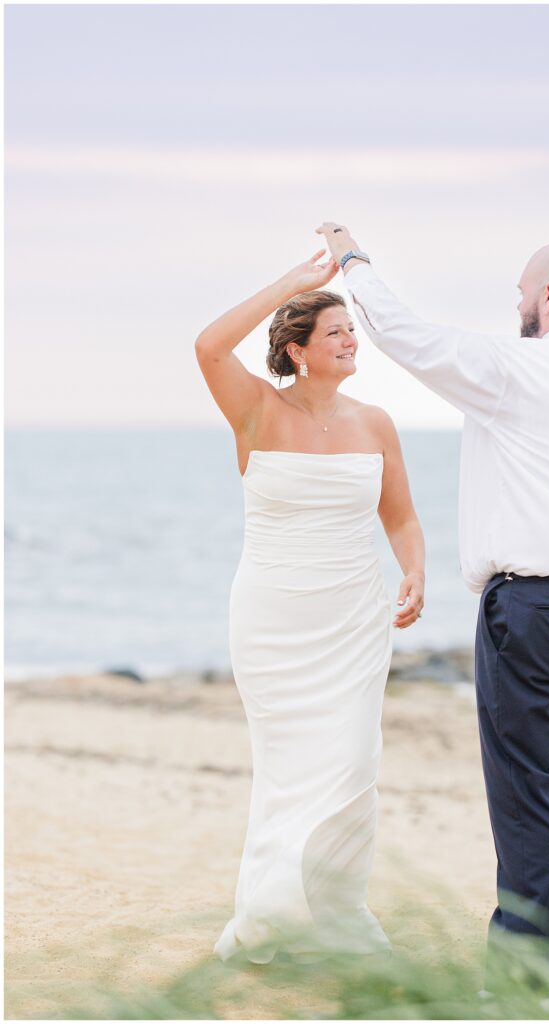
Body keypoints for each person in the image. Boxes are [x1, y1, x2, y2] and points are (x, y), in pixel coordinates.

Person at [316, 223, 549, 991]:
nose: (515, 304)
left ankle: (517, 978)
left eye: (519, 292)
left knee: (529, 796)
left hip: (540, 608)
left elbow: (404, 334)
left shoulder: (520, 370)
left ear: (547, 295)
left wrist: (352, 259)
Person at [194, 249, 425, 964]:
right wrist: (295, 283)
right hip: (272, 619)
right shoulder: (254, 409)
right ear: (295, 350)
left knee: (352, 765)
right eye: (333, 333)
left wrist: (414, 571)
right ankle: (269, 921)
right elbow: (207, 345)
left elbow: (401, 518)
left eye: (350, 331)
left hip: (352, 620)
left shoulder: (375, 423)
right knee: (288, 768)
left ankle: (337, 917)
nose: (349, 341)